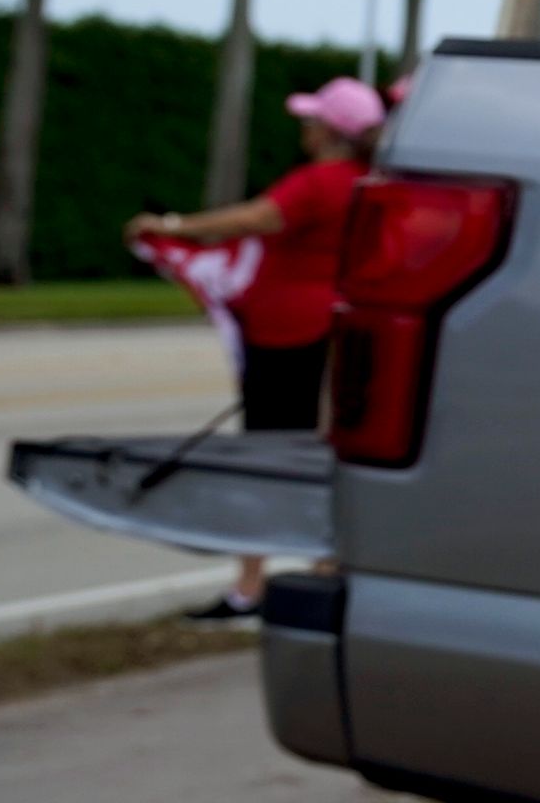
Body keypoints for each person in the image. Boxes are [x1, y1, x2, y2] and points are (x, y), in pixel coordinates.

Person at [128, 74, 385, 619]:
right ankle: (326, 567)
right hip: (333, 325)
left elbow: (254, 218)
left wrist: (174, 225)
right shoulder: (371, 182)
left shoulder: (319, 183)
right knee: (324, 450)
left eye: (311, 121)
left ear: (328, 131)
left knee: (261, 454)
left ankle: (250, 585)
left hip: (286, 330)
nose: (304, 130)